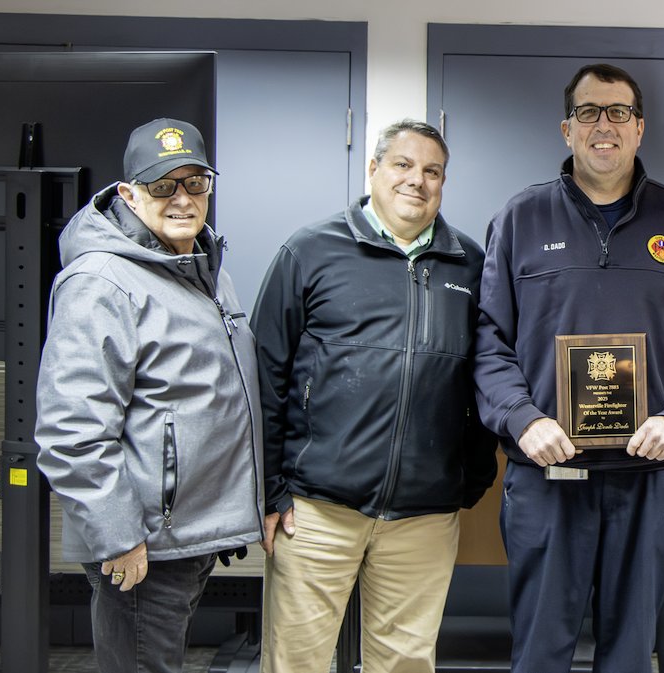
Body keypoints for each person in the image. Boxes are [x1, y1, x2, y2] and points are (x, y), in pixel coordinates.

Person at [473, 62, 664, 673]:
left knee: (630, 652)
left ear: (639, 128)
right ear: (566, 129)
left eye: (618, 113)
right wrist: (522, 418)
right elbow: (489, 340)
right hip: (547, 477)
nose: (604, 126)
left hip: (650, 476)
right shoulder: (519, 219)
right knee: (540, 648)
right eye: (589, 112)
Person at [251, 119, 497, 673]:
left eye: (433, 171)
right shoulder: (310, 251)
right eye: (404, 165)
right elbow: (265, 377)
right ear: (374, 170)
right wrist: (268, 490)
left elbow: (487, 375)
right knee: (296, 661)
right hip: (316, 511)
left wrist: (470, 477)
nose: (418, 180)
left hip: (424, 516)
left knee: (405, 663)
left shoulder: (471, 266)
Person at [35, 117, 262, 673]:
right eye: (163, 186)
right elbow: (72, 429)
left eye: (195, 182)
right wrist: (116, 536)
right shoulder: (102, 283)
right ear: (130, 195)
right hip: (141, 542)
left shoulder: (204, 271)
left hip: (185, 533)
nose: (182, 198)